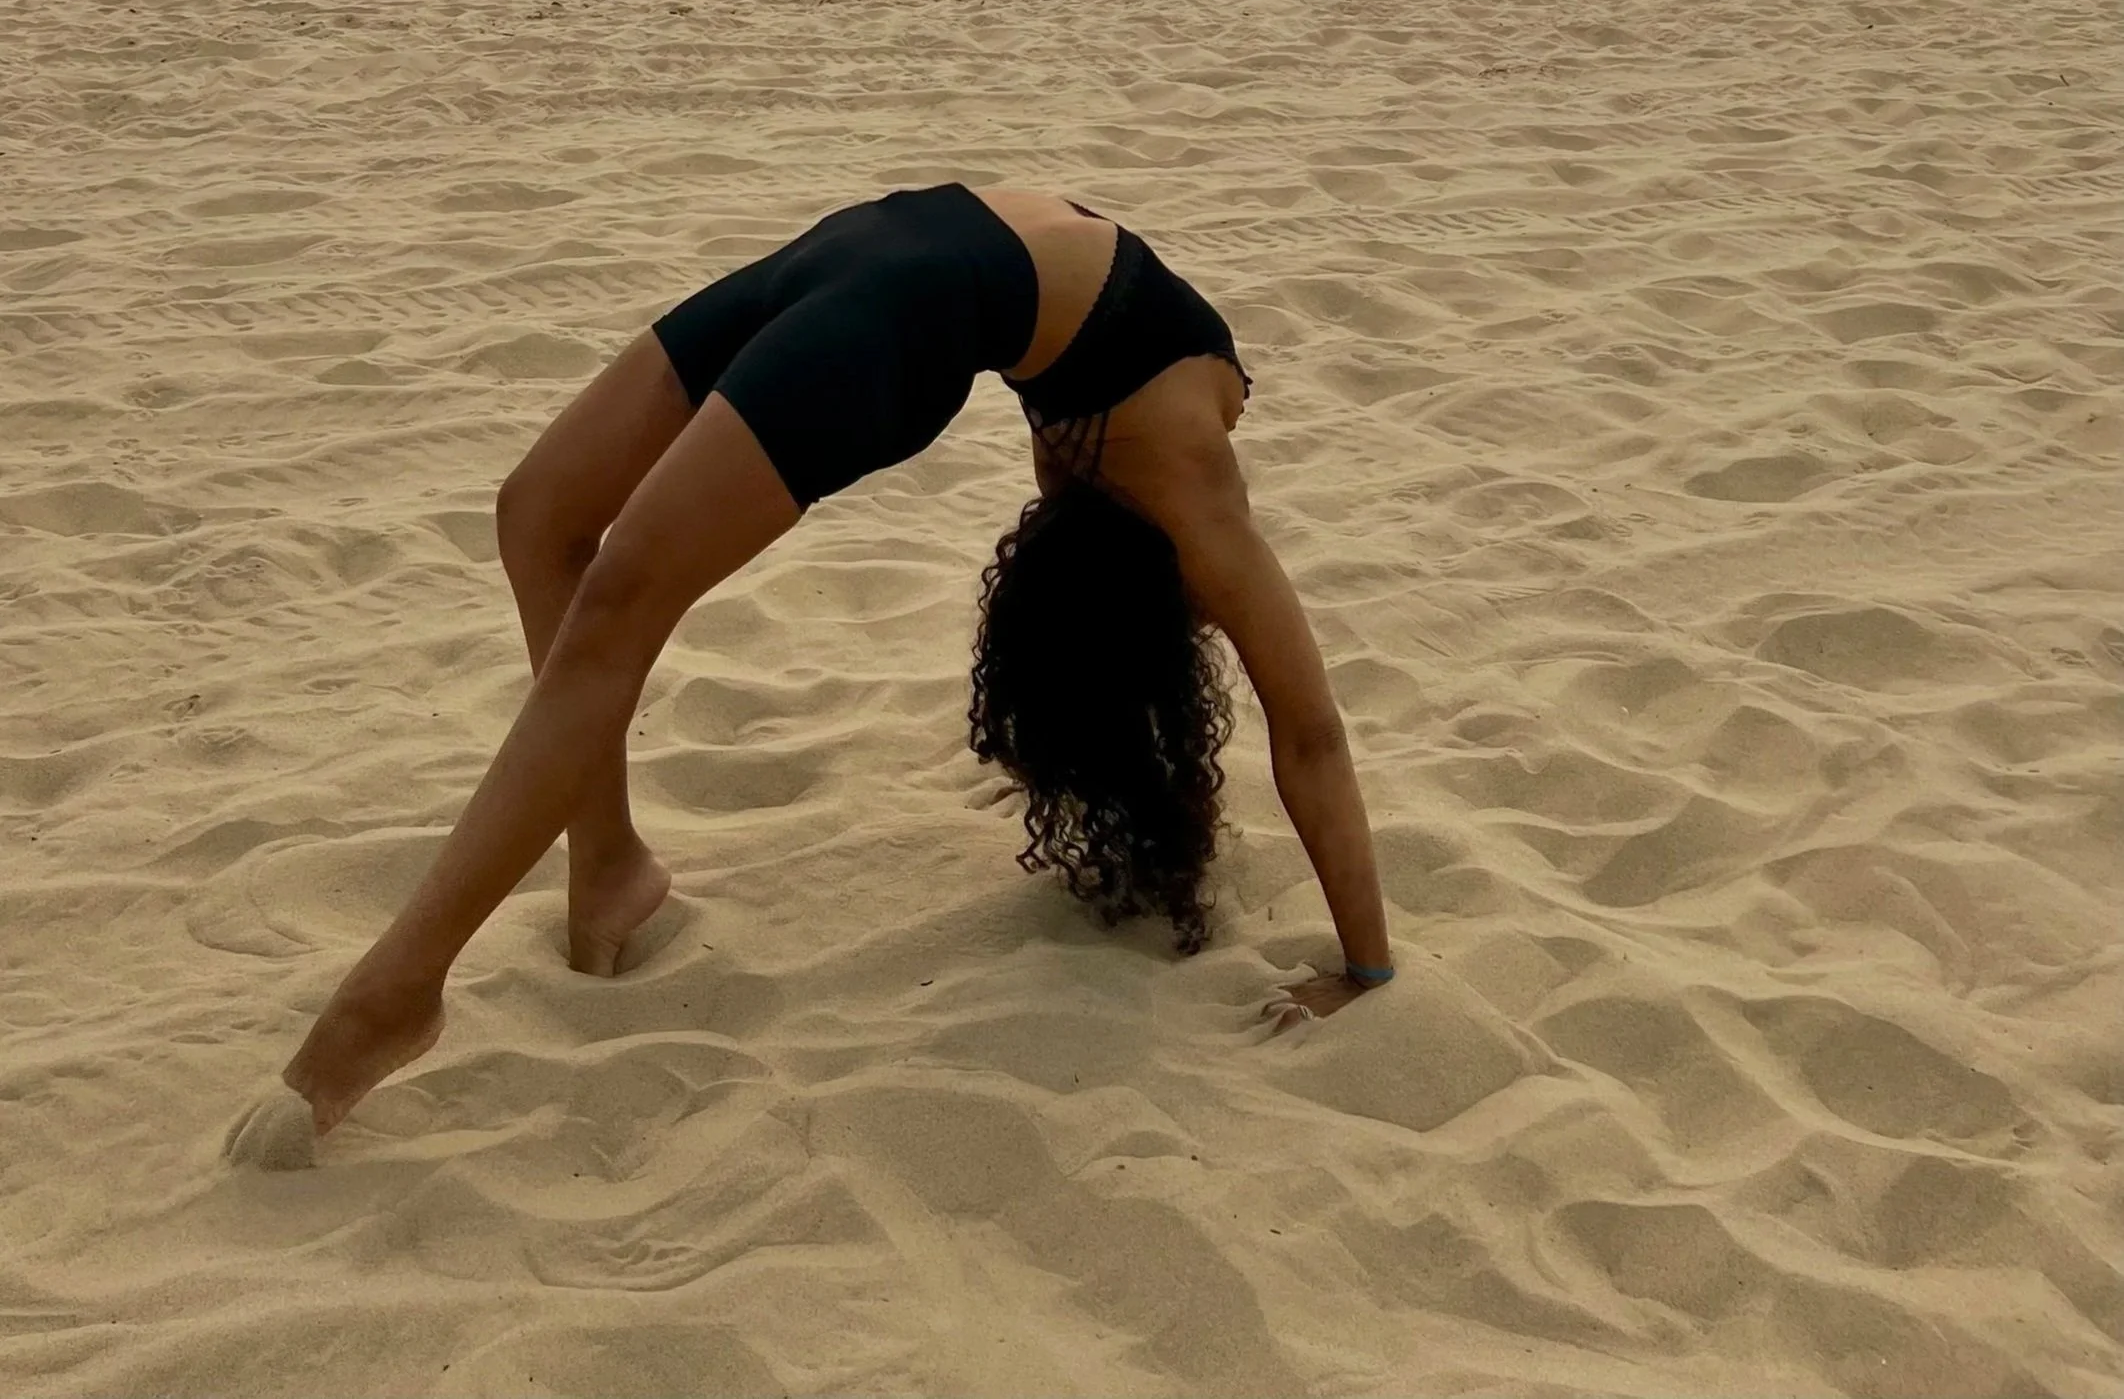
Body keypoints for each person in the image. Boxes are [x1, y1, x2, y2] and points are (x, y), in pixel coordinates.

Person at [283, 184, 1393, 1134]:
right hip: (876, 263)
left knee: (619, 592)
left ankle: (401, 985)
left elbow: (1306, 730)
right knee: (538, 515)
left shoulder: (1145, 453)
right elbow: (1311, 730)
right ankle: (607, 862)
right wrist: (1366, 959)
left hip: (895, 268)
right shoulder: (1193, 487)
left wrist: (1363, 975)